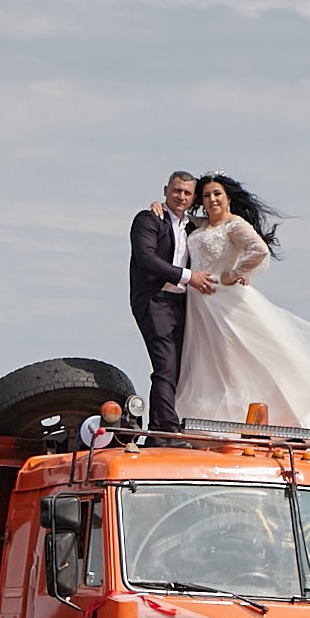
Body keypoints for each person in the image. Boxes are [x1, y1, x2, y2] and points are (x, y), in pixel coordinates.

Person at [171, 173, 310, 430]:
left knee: (238, 359)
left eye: (217, 194)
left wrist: (236, 272)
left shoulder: (234, 224)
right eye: (206, 195)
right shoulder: (201, 225)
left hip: (223, 299)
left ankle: (264, 418)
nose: (212, 199)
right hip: (200, 304)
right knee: (208, 364)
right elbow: (178, 218)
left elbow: (259, 249)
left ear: (228, 197)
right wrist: (158, 206)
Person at [128, 171, 217, 431]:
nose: (181, 197)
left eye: (187, 193)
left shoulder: (192, 225)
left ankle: (159, 430)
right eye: (177, 191)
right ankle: (166, 428)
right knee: (165, 365)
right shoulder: (149, 219)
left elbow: (223, 225)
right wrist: (189, 276)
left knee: (179, 368)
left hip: (184, 305)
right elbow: (147, 259)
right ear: (166, 189)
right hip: (155, 301)